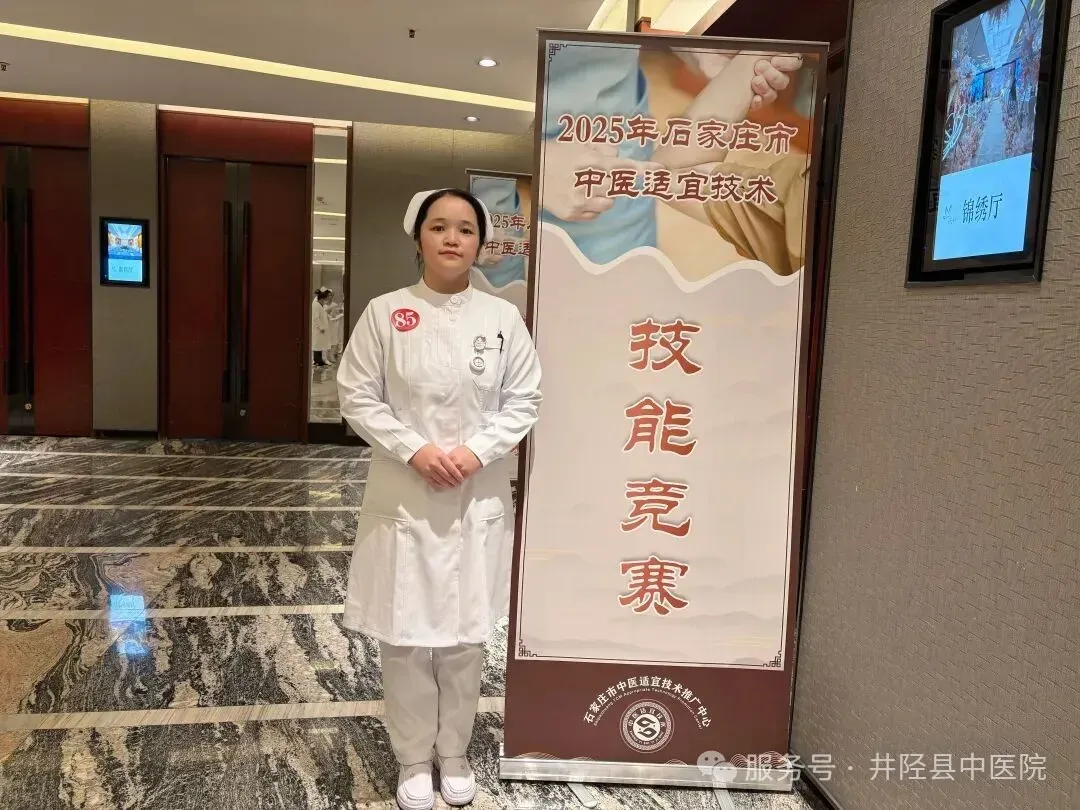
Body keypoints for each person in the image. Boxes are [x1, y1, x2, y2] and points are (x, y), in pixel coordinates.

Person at [336, 188, 542, 810]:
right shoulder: (385, 313)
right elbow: (357, 394)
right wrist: (414, 449)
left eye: (466, 229)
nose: (453, 239)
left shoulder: (502, 318)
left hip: (475, 495)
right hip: (405, 493)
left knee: (465, 636)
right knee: (403, 636)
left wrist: (477, 452)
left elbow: (525, 398)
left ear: (480, 243)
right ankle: (411, 758)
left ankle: (453, 753)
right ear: (418, 238)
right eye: (439, 227)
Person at [311, 288, 332, 366]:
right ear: (321, 299)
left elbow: (323, 315)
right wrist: (320, 327)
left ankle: (320, 360)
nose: (325, 301)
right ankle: (317, 361)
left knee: (320, 345)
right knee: (317, 345)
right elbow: (315, 318)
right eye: (324, 300)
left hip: (322, 329)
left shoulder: (320, 305)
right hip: (318, 329)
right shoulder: (315, 305)